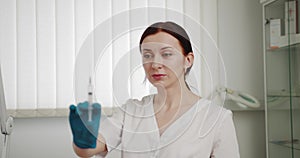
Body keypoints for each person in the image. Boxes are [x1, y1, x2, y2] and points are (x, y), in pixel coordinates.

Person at [69, 21, 240, 157]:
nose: (155, 64)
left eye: (166, 54)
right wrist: (83, 140)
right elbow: (89, 150)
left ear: (188, 60)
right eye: (148, 55)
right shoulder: (131, 111)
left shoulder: (216, 118)